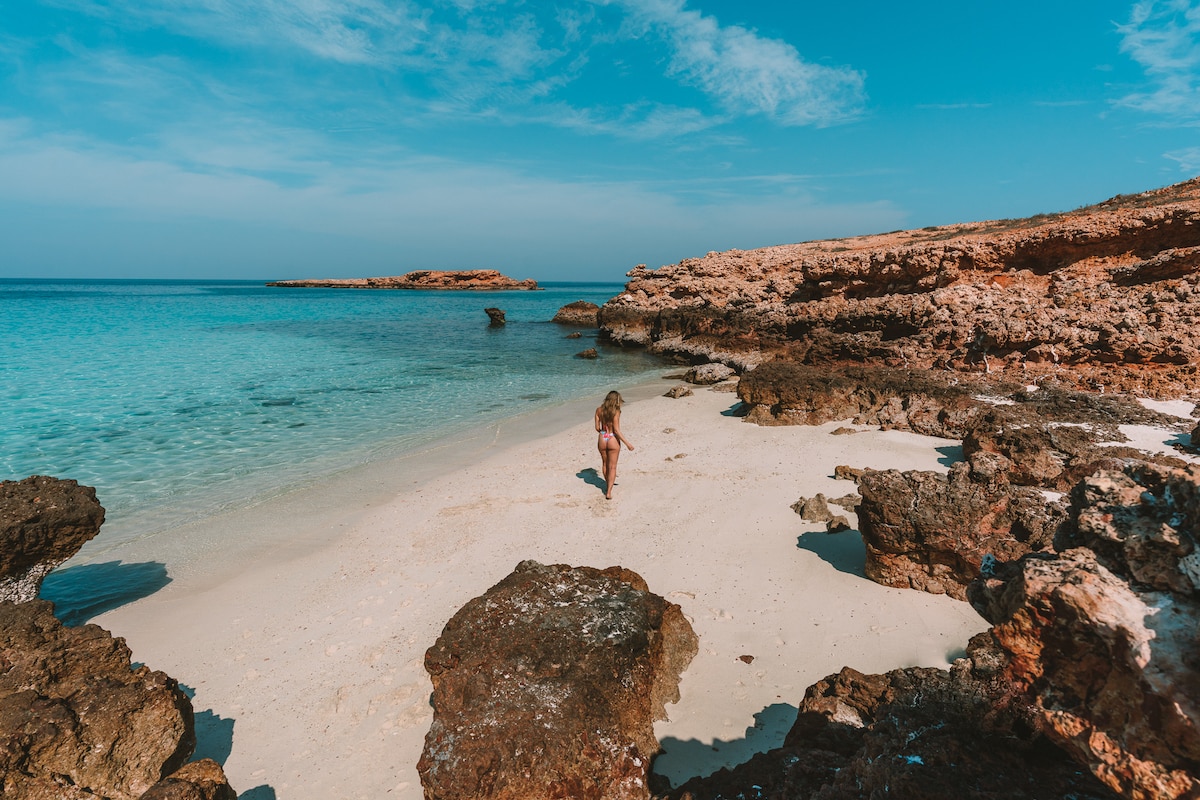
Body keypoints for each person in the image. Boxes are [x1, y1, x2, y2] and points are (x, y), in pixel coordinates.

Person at [594, 390, 634, 499]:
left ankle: (608, 483)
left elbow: (597, 428)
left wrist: (603, 433)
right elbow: (616, 430)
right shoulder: (616, 411)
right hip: (612, 438)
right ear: (616, 400)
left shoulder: (599, 410)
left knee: (605, 463)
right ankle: (608, 492)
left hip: (603, 437)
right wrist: (627, 443)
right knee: (612, 466)